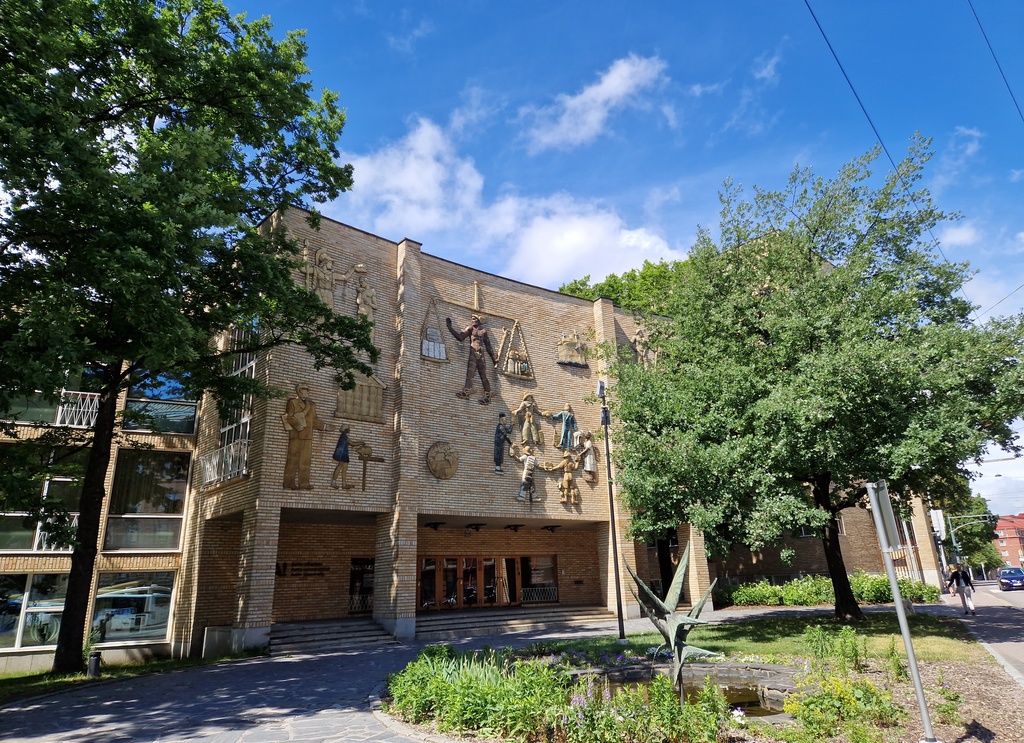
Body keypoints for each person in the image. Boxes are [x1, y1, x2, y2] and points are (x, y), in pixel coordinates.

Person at [282, 383, 331, 490]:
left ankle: (304, 483)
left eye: (308, 389)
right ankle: (288, 483)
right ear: (299, 391)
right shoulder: (292, 402)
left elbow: (314, 420)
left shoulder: (311, 405)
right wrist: (297, 425)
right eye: (305, 389)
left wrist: (325, 426)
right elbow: (288, 417)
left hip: (308, 436)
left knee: (305, 461)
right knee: (293, 459)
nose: (307, 391)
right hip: (296, 436)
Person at [446, 314, 498, 404]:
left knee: (483, 375)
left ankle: (488, 396)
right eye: (472, 319)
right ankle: (466, 391)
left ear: (478, 320)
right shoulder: (470, 329)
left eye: (474, 319)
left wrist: (494, 358)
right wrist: (449, 327)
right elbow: (460, 337)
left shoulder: (484, 331)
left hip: (481, 354)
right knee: (470, 373)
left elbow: (488, 346)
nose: (472, 320)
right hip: (473, 352)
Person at [330, 424, 368, 490]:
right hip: (342, 453)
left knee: (344, 468)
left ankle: (344, 484)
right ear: (346, 429)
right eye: (348, 428)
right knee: (340, 465)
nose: (349, 429)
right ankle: (333, 482)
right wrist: (361, 443)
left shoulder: (344, 436)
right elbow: (352, 443)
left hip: (344, 453)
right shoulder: (344, 436)